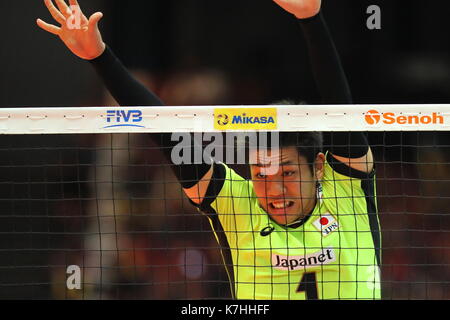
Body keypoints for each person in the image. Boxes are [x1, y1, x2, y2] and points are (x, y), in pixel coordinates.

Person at [37, 0, 381, 300]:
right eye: (261, 175)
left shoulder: (346, 188)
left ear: (318, 166)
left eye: (288, 173)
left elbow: (341, 111)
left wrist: (312, 19)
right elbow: (166, 131)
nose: (274, 189)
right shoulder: (235, 203)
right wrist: (99, 57)